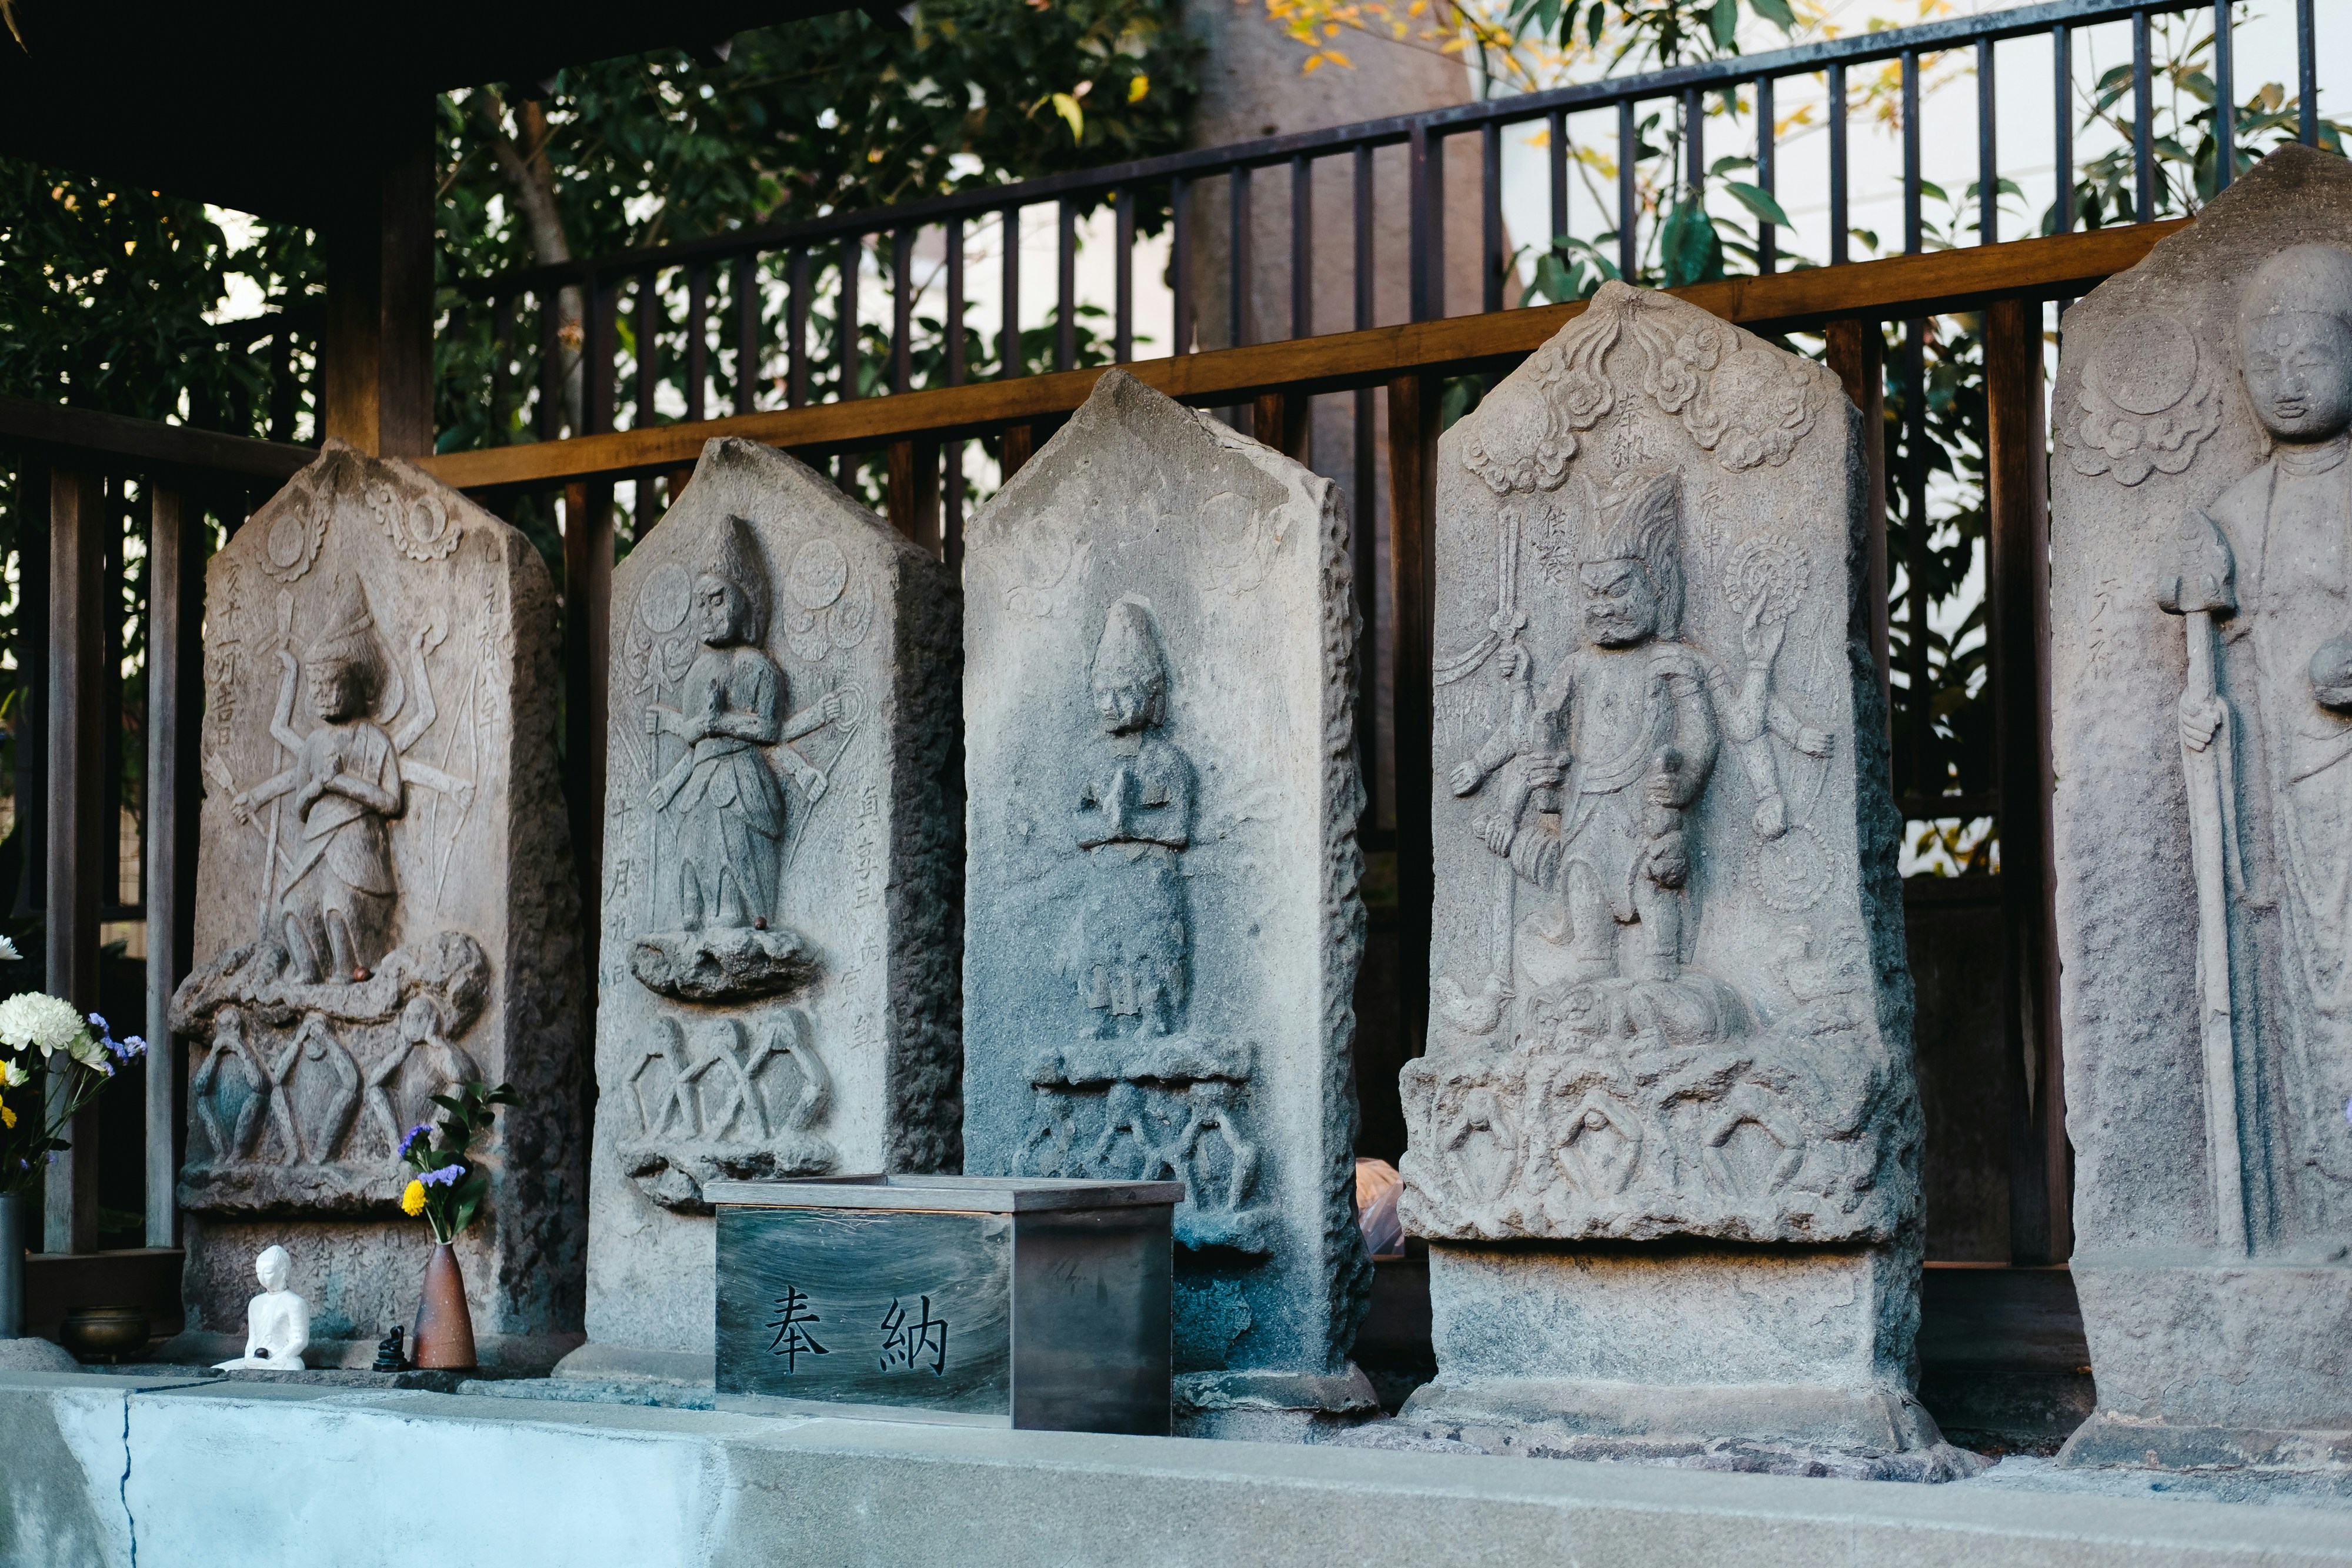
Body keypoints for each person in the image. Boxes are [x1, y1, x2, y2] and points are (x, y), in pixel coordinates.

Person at [646, 518, 841, 932]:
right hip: (700, 782)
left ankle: (744, 920)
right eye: (699, 604)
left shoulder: (759, 667)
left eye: (717, 600)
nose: (706, 613)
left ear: (746, 603)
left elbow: (769, 730)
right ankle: (695, 921)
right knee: (692, 849)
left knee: (735, 849)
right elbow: (692, 735)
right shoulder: (699, 673)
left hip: (741, 776)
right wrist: (695, 726)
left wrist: (721, 720)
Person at [1067, 600, 1197, 1039]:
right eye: (1102, 692)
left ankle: (1154, 1015)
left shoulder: (1167, 761)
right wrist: (1108, 826)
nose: (1111, 703)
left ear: (1152, 698)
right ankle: (1099, 1017)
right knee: (1102, 947)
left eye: (1124, 692)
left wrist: (1131, 824)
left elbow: (1178, 829)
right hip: (1105, 877)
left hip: (1151, 876)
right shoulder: (1090, 762)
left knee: (1151, 945)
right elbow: (1078, 827)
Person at [213, 1245, 310, 1370]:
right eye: (259, 1272)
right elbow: (253, 1338)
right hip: (257, 1359)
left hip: (282, 1360)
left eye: (268, 1272)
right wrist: (250, 1359)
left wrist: (274, 1361)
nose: (263, 1277)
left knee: (293, 1369)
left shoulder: (296, 1303)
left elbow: (299, 1341)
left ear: (283, 1272)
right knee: (217, 1370)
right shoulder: (256, 1302)